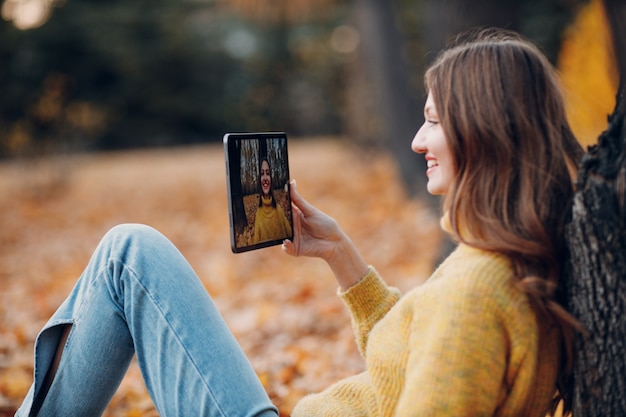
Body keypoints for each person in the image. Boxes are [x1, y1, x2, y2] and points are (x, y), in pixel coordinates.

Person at [16, 28, 583, 417]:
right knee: (129, 252)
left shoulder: (477, 294)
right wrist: (341, 256)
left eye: (432, 121)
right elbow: (407, 365)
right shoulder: (502, 266)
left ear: (481, 130)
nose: (416, 141)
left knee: (127, 257)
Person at [253, 158, 292, 244]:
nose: (265, 178)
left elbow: (291, 237)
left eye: (268, 173)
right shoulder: (258, 215)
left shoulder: (279, 210)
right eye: (262, 174)